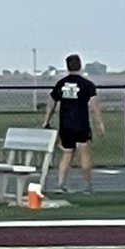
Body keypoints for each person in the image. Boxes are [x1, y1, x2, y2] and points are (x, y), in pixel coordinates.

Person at [42, 54, 105, 193]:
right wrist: (100, 123)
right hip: (81, 124)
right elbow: (95, 104)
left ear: (67, 66)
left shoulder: (61, 84)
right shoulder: (87, 84)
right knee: (84, 154)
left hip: (66, 125)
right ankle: (88, 185)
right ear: (80, 65)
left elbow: (52, 102)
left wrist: (46, 120)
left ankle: (60, 184)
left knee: (67, 153)